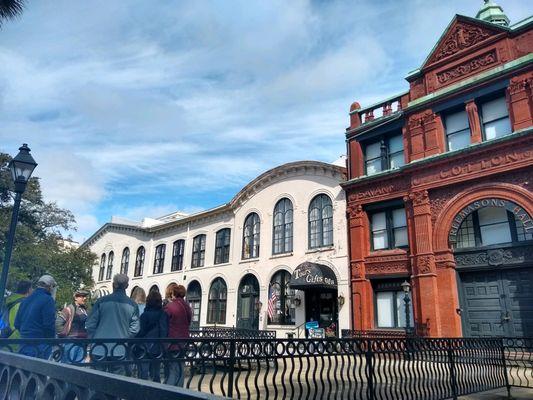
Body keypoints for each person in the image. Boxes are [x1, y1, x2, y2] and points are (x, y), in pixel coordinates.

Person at [86, 274, 140, 375]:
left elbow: (90, 324)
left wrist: (93, 338)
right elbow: (135, 329)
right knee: (116, 382)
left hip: (99, 347)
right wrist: (124, 337)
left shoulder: (101, 301)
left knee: (96, 381)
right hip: (119, 348)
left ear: (113, 285)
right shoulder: (132, 304)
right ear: (127, 286)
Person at [14, 275, 57, 359]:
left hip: (23, 343)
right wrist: (51, 340)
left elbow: (17, 323)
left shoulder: (26, 299)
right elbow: (48, 325)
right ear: (50, 286)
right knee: (38, 370)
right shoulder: (48, 300)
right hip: (40, 344)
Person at [136, 290, 168, 382]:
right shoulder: (163, 314)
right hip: (158, 347)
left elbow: (140, 332)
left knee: (143, 374)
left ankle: (143, 394)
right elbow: (164, 331)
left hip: (144, 347)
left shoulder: (144, 315)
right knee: (156, 374)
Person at [164, 284, 192, 387]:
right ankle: (179, 392)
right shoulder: (187, 306)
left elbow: (164, 324)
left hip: (172, 343)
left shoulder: (170, 307)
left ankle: (168, 393)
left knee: (172, 370)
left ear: (173, 294)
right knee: (180, 369)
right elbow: (188, 322)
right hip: (184, 342)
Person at [56, 289, 90, 363]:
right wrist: (65, 335)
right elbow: (58, 323)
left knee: (78, 368)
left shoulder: (85, 310)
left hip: (82, 343)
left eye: (85, 296)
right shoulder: (69, 309)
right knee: (67, 366)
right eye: (82, 296)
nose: (85, 298)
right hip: (70, 342)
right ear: (75, 298)